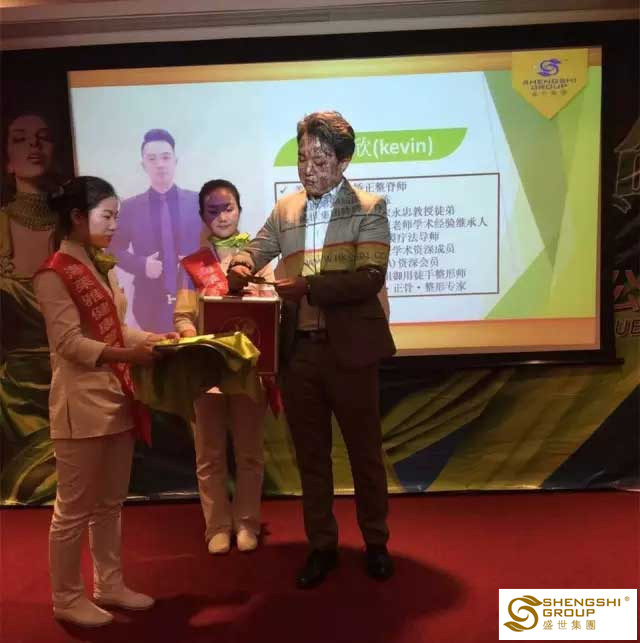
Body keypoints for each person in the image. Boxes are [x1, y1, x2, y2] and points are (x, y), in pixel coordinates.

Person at [228, 111, 396, 589]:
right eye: (302, 158)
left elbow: (370, 278)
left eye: (319, 159)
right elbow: (255, 248)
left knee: (365, 455)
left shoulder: (369, 207)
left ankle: (376, 542)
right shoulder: (286, 209)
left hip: (352, 352)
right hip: (300, 354)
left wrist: (309, 288)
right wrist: (239, 265)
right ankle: (321, 546)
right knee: (311, 458)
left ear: (343, 161)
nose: (307, 168)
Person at [33, 176, 177, 627]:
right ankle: (66, 597)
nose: (115, 225)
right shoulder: (54, 273)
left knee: (110, 503)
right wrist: (129, 356)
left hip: (116, 397)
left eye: (117, 216)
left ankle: (109, 584)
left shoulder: (102, 266)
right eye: (107, 216)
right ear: (77, 217)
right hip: (80, 405)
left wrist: (151, 338)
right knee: (73, 510)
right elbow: (69, 344)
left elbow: (116, 328)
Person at [174, 179, 273, 554]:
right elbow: (183, 315)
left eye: (227, 208)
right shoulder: (193, 264)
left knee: (249, 453)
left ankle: (247, 522)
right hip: (206, 371)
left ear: (239, 210)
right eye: (212, 210)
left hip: (248, 371)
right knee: (209, 455)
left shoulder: (260, 257)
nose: (221, 216)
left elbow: (272, 309)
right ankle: (216, 525)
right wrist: (193, 338)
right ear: (202, 216)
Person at [0, 112, 62, 505]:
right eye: (21, 139)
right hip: (16, 398)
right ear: (7, 161)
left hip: (76, 382)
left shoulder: (76, 228)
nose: (34, 146)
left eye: (43, 137)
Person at [109, 128, 201, 332]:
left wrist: (197, 262)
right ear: (144, 165)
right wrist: (141, 265)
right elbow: (112, 250)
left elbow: (214, 243)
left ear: (175, 161)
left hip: (194, 296)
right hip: (149, 302)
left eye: (165, 157)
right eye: (152, 159)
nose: (160, 164)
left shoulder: (197, 202)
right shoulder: (130, 207)